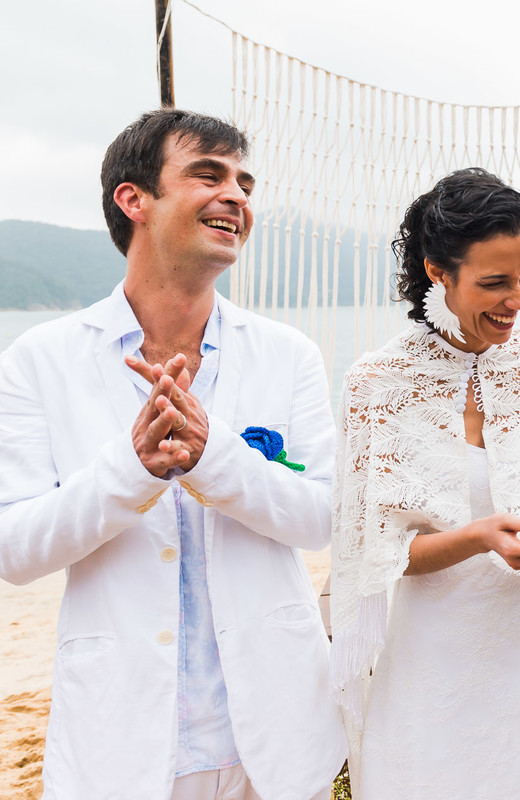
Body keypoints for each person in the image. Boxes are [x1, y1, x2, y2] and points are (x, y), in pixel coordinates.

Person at [0, 110, 345, 799]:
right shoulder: (39, 359)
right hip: (122, 738)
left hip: (277, 740)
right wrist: (131, 472)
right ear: (135, 199)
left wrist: (218, 458)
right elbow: (14, 551)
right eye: (209, 175)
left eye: (245, 182)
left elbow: (325, 517)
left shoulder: (289, 354)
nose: (238, 197)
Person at [329, 168, 520, 798]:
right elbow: (376, 555)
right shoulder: (377, 384)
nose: (518, 299)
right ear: (437, 273)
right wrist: (477, 537)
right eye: (495, 282)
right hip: (432, 671)